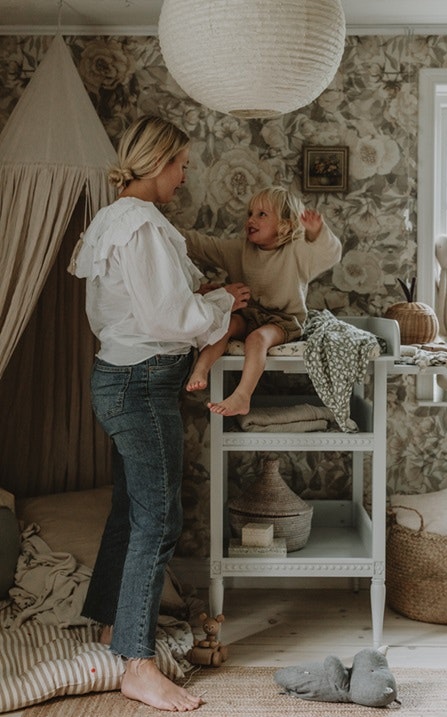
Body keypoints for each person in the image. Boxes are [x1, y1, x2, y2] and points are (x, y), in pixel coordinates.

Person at [68, 114, 250, 712]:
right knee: (159, 522)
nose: (184, 175)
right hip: (140, 385)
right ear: (156, 161)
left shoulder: (118, 221)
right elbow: (169, 319)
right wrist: (225, 302)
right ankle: (138, 665)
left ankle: (109, 626)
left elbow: (152, 304)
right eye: (181, 164)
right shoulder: (139, 223)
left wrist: (208, 300)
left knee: (131, 513)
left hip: (124, 380)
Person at [184, 185, 342, 416]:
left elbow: (329, 255)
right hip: (248, 315)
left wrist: (317, 233)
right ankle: (200, 369)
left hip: (283, 321)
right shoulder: (240, 249)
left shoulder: (297, 251)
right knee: (222, 325)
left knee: (256, 339)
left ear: (285, 224)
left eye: (262, 214)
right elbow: (203, 246)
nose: (251, 219)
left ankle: (242, 396)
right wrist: (165, 231)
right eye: (250, 213)